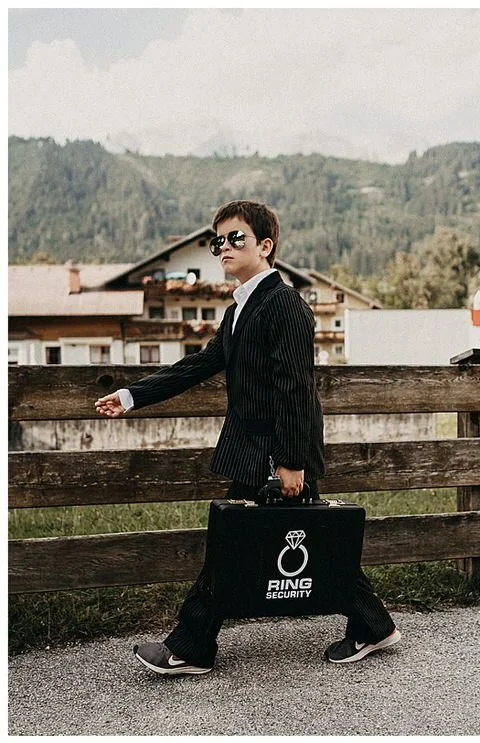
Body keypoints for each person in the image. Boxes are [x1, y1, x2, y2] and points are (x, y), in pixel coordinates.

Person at [97, 200, 400, 676]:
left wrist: (292, 462)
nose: (224, 247)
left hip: (275, 454)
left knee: (232, 544)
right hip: (254, 449)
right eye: (218, 240)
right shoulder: (241, 308)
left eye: (236, 238)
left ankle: (191, 647)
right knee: (311, 542)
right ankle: (373, 624)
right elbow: (198, 365)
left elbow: (296, 390)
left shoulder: (285, 306)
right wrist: (132, 396)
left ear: (265, 245)